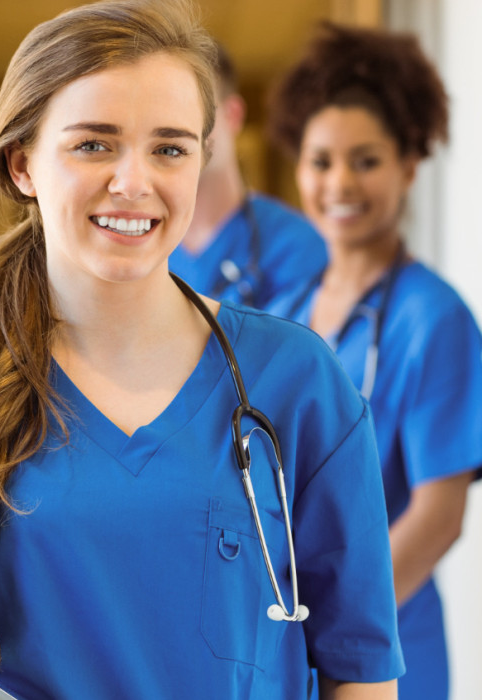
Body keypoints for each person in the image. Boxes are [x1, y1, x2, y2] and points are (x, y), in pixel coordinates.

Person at [0, 1, 404, 697]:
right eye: (94, 144)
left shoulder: (296, 382)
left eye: (170, 148)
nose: (134, 182)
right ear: (23, 163)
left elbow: (359, 669)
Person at [266, 24, 479, 700]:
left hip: (385, 653)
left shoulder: (433, 319)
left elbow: (439, 517)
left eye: (366, 160)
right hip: (286, 642)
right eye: (321, 160)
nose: (340, 183)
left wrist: (344, 627)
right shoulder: (287, 307)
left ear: (410, 165)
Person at [168, 39, 325, 308]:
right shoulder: (138, 243)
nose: (177, 129)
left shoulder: (295, 245)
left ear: (233, 115)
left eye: (195, 109)